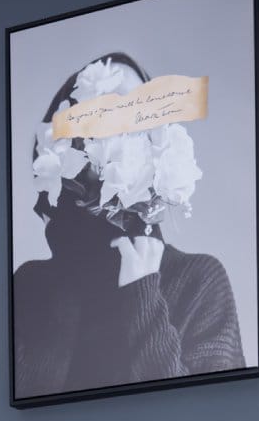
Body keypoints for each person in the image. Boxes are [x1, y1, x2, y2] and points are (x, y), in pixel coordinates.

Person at [13, 51, 245, 401]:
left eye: (139, 117)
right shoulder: (31, 284)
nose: (122, 131)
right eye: (103, 115)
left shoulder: (199, 278)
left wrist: (143, 294)